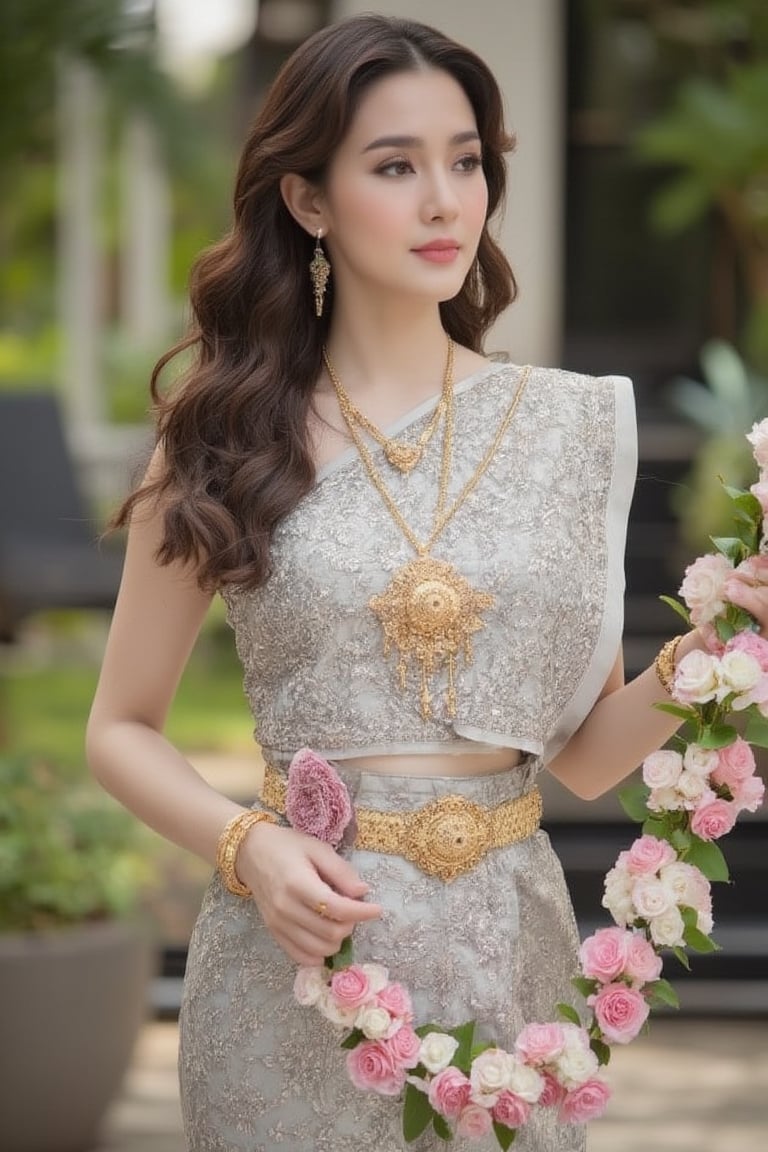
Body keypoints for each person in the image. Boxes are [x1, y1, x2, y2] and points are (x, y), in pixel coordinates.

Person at [86, 13, 768, 1152]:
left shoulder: (567, 429)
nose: (445, 200)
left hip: (512, 955)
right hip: (291, 962)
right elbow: (120, 728)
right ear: (308, 199)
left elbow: (589, 755)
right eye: (395, 166)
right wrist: (243, 844)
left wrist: (724, 632)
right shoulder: (223, 435)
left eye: (466, 162)